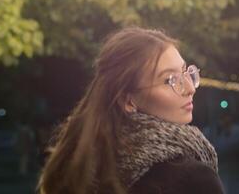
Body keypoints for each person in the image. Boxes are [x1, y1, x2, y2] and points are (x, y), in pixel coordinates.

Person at [37, 27, 224, 194]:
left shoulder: (79, 165)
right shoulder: (191, 179)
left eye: (185, 72)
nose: (190, 88)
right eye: (169, 80)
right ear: (128, 100)